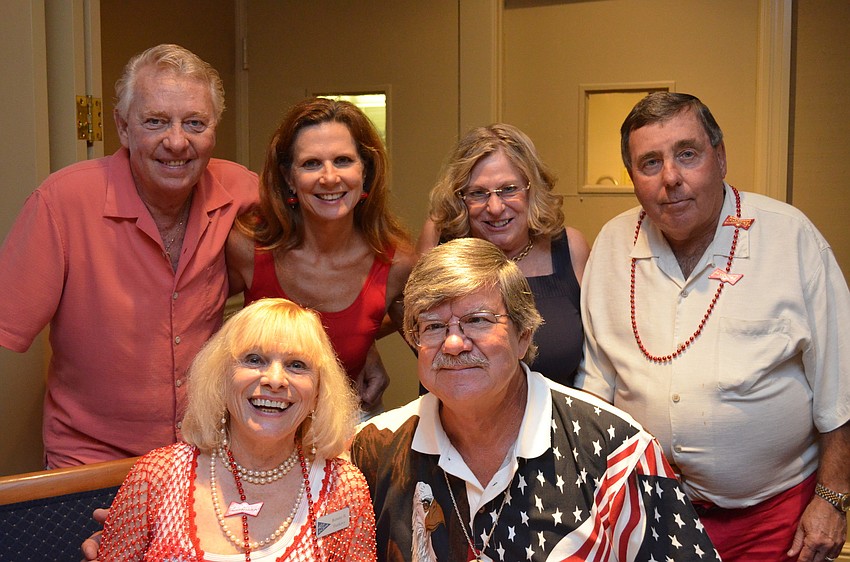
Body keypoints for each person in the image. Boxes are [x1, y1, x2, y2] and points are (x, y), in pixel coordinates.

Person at [576, 92, 850, 562]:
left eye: (687, 154)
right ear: (632, 179)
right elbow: (597, 384)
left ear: (720, 157)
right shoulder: (611, 245)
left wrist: (833, 499)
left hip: (773, 517)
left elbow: (839, 385)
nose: (671, 179)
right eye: (649, 163)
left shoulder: (791, 237)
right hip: (651, 512)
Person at [351, 237, 718, 561]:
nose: (453, 343)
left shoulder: (616, 452)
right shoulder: (372, 449)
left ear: (523, 334)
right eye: (432, 326)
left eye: (477, 320)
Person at [0, 44, 258, 467]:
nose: (177, 142)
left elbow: (323, 250)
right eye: (155, 122)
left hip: (204, 457)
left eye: (195, 123)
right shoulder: (61, 203)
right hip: (92, 464)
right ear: (122, 127)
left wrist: (362, 346)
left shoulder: (242, 191)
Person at [97, 298, 376, 561]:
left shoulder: (342, 488)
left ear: (318, 391)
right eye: (255, 359)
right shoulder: (157, 477)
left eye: (296, 365)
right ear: (222, 378)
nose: (275, 379)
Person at [227, 97, 416, 414]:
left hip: (344, 435)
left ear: (365, 171)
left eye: (343, 160)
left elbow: (439, 352)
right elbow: (193, 328)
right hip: (255, 426)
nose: (329, 177)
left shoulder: (397, 264)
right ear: (289, 177)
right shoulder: (246, 248)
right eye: (311, 163)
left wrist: (364, 343)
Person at [416, 124, 590, 386]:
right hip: (455, 419)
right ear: (460, 198)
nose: (495, 207)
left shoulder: (570, 247)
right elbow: (415, 327)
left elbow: (598, 362)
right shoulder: (439, 242)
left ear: (532, 189)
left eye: (509, 189)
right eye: (477, 193)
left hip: (555, 421)